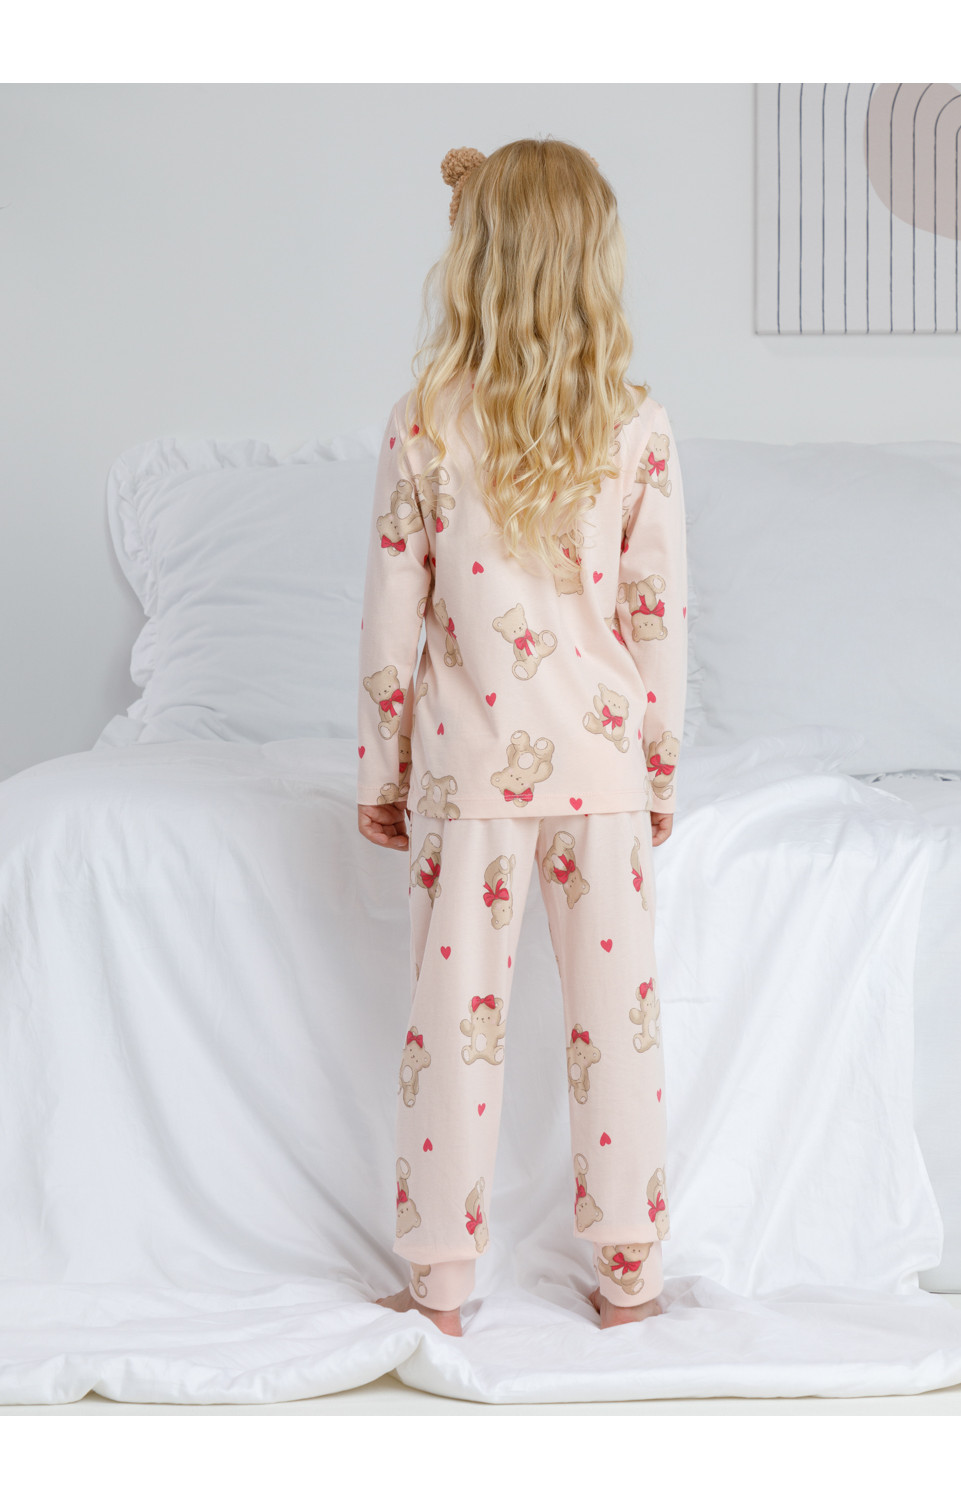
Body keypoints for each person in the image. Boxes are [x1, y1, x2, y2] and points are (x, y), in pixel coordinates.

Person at [358, 138, 687, 1337]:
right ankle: (629, 1281)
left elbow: (391, 617)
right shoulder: (635, 424)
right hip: (601, 773)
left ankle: (439, 1286)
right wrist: (656, 774)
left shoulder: (424, 422)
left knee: (452, 1030)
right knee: (619, 1031)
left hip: (469, 772)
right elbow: (657, 621)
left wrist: (382, 767)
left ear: (475, 257)